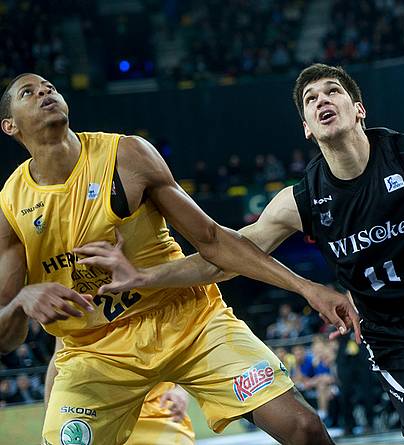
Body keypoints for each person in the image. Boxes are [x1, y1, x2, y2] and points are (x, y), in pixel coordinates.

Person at [73, 63, 404, 445]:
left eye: (333, 91)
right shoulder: (299, 199)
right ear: (307, 128)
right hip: (394, 335)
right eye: (310, 100)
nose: (321, 100)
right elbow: (220, 261)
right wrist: (141, 275)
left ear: (358, 109)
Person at [0, 73, 361, 444]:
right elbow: (5, 337)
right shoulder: (10, 207)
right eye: (29, 92)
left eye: (50, 87)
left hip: (187, 319)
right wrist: (21, 303)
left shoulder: (125, 156)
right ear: (10, 125)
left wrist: (306, 288)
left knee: (304, 428)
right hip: (96, 350)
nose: (45, 92)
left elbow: (213, 240)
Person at [45, 338, 196, 445]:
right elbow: (60, 356)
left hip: (156, 412)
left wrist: (180, 389)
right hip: (93, 411)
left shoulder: (161, 296)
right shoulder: (74, 300)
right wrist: (50, 420)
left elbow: (183, 348)